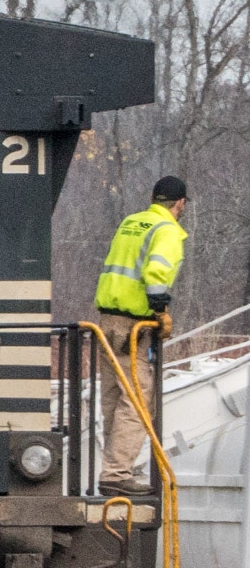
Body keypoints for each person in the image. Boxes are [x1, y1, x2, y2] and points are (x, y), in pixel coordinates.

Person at [95, 175, 190, 496]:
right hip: (133, 326)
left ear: (153, 199)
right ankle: (116, 473)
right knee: (138, 400)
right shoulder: (167, 230)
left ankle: (113, 470)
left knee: (113, 397)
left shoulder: (131, 222)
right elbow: (156, 273)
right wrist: (161, 311)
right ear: (180, 203)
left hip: (107, 321)